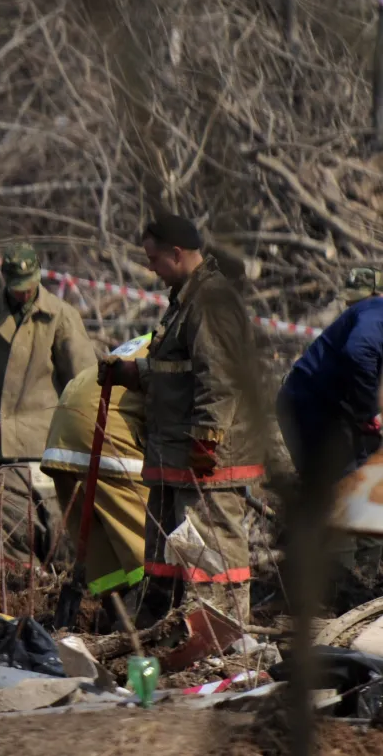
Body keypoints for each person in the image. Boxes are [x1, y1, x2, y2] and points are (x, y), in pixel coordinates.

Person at [100, 215, 264, 624]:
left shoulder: (211, 302)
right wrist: (132, 374)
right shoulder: (185, 301)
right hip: (173, 452)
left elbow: (221, 378)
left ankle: (220, 633)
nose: (151, 268)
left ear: (177, 253)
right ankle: (167, 631)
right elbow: (180, 371)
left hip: (205, 458)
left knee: (210, 550)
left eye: (155, 259)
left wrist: (206, 439)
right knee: (167, 553)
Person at [0, 242, 97, 481]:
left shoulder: (61, 316)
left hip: (38, 445)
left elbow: (84, 383)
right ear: (5, 279)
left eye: (29, 285)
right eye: (18, 287)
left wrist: (89, 439)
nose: (25, 293)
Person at [278, 282, 383, 610]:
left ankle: (363, 588)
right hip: (315, 411)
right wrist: (371, 411)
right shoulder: (378, 313)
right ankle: (333, 596)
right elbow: (359, 351)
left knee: (371, 490)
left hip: (342, 413)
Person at [41, 333, 152, 603]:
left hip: (62, 438)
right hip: (102, 431)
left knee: (100, 544)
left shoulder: (149, 341)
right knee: (146, 534)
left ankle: (111, 604)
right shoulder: (182, 348)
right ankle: (149, 602)